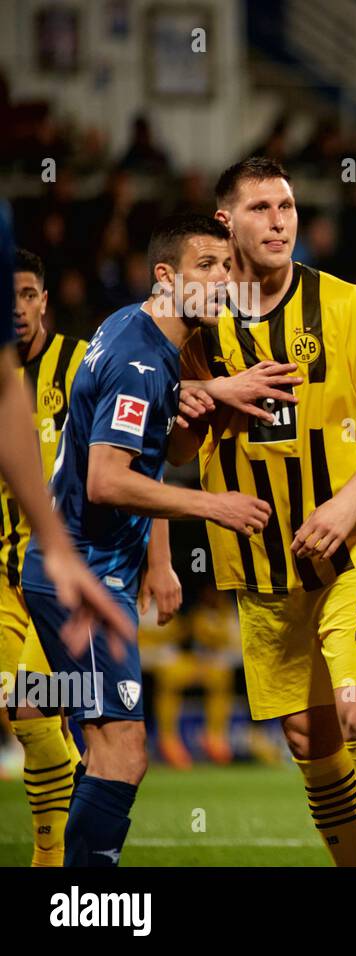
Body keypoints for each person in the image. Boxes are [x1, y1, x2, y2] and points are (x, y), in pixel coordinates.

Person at [177, 157, 356, 866]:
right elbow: (174, 447)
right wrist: (208, 395)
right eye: (260, 208)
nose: (279, 220)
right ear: (225, 222)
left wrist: (348, 507)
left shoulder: (343, 304)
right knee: (310, 741)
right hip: (262, 558)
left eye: (286, 206)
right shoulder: (196, 323)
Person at [22, 214, 270, 866]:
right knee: (126, 752)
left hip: (83, 571)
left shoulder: (140, 334)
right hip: (82, 577)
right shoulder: (141, 359)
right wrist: (210, 504)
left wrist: (160, 560)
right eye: (207, 268)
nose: (225, 281)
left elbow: (155, 442)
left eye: (228, 268)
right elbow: (108, 479)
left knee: (100, 743)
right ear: (166, 277)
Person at [0, 248, 90, 865]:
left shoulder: (82, 363)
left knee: (31, 710)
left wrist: (159, 561)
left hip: (61, 576)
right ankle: (84, 791)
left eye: (28, 294)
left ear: (44, 301)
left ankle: (52, 859)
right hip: (2, 584)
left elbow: (139, 449)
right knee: (30, 720)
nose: (18, 308)